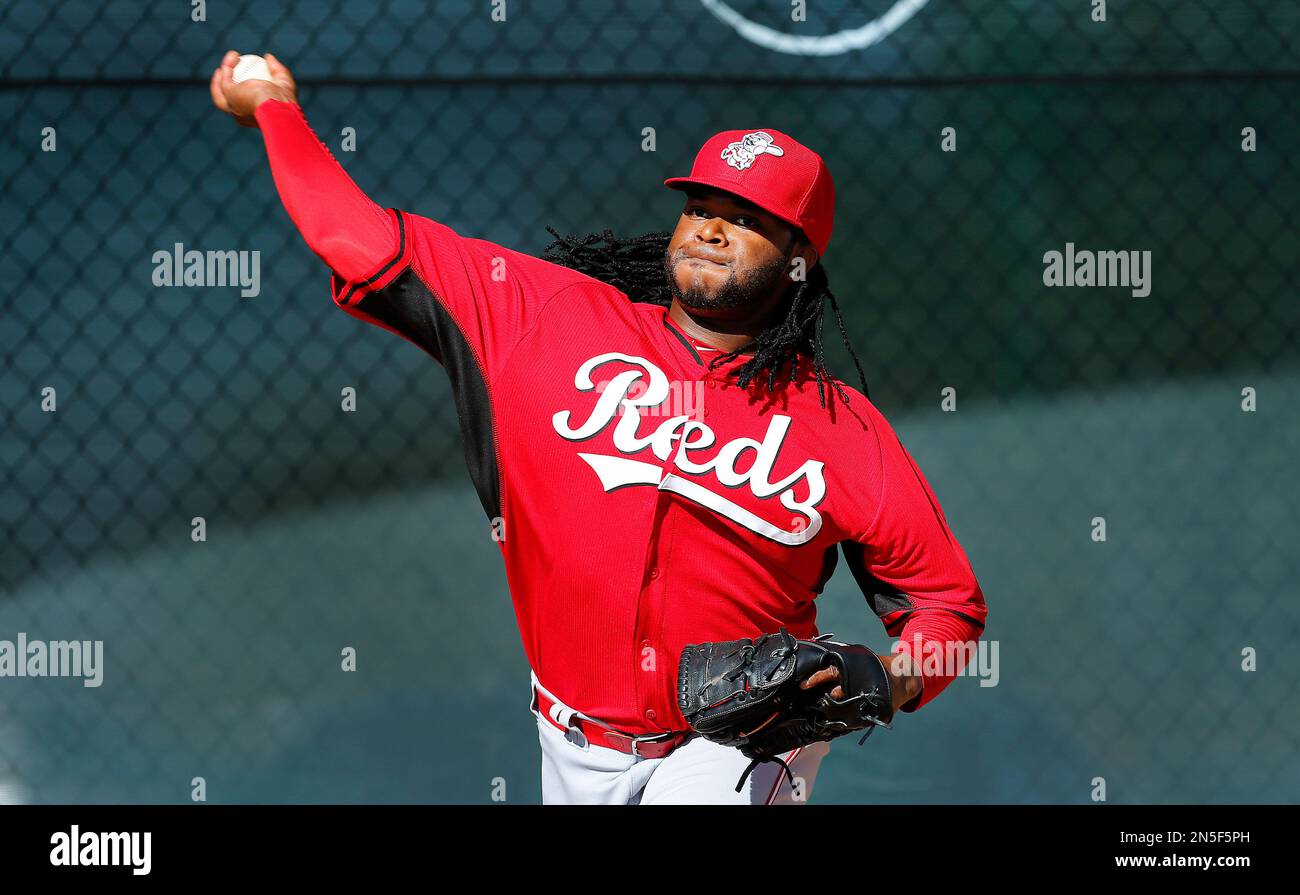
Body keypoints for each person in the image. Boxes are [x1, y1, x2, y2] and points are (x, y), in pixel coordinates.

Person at [210, 50, 987, 805]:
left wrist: (894, 679)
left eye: (746, 219)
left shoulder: (839, 424)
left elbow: (949, 607)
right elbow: (358, 236)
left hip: (740, 741)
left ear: (797, 262)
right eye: (701, 208)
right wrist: (275, 108)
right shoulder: (537, 316)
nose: (710, 229)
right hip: (569, 735)